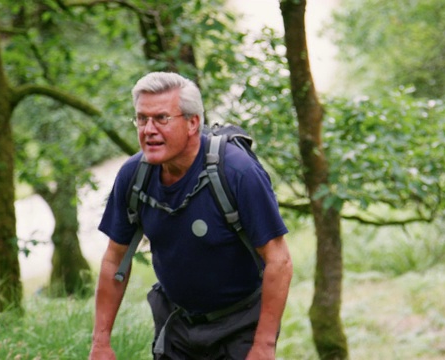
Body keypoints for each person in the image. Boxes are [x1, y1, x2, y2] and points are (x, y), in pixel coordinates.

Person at [89, 72, 293, 360]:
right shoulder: (134, 176)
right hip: (176, 322)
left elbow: (279, 261)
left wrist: (264, 346)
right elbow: (114, 259)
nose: (148, 129)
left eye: (161, 118)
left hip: (240, 323)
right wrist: (100, 342)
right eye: (142, 118)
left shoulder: (237, 173)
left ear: (192, 122)